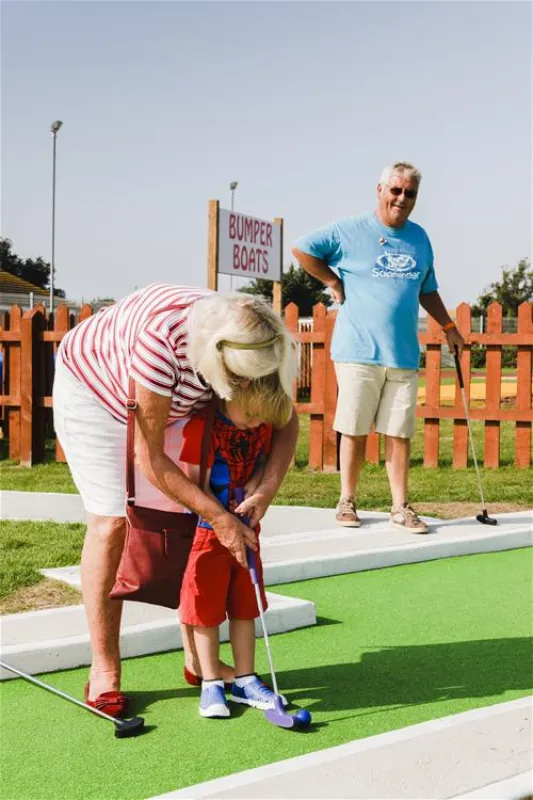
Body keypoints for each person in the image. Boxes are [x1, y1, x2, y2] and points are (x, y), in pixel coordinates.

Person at [53, 284, 298, 716]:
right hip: (98, 392)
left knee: (190, 518)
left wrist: (264, 488)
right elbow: (149, 457)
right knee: (114, 521)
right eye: (241, 379)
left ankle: (197, 661)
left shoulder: (262, 339)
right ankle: (105, 667)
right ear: (218, 359)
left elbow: (285, 421)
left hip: (184, 397)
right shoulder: (161, 344)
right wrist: (221, 518)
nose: (249, 386)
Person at [292, 162, 464, 533]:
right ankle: (346, 501)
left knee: (398, 432)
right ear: (380, 190)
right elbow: (303, 249)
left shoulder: (419, 238)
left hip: (402, 353)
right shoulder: (350, 230)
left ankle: (401, 507)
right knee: (353, 429)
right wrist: (332, 281)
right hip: (357, 350)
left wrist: (449, 326)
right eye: (396, 191)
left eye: (410, 193)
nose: (402, 199)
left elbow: (427, 289)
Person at [179, 373, 292, 718]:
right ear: (234, 394)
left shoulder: (260, 425)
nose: (256, 425)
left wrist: (257, 491)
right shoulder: (202, 428)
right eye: (253, 416)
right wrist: (220, 517)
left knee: (245, 604)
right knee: (206, 609)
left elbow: (259, 467)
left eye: (262, 421)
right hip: (207, 531)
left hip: (246, 529)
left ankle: (244, 679)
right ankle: (211, 682)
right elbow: (192, 484)